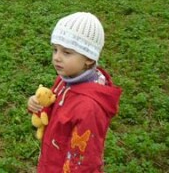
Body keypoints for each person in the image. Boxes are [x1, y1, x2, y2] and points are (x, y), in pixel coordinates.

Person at [27, 12, 122, 172]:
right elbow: (52, 104)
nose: (57, 57)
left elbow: (85, 162)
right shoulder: (66, 79)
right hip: (52, 160)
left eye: (67, 52)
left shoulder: (89, 107)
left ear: (89, 58)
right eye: (55, 49)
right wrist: (36, 104)